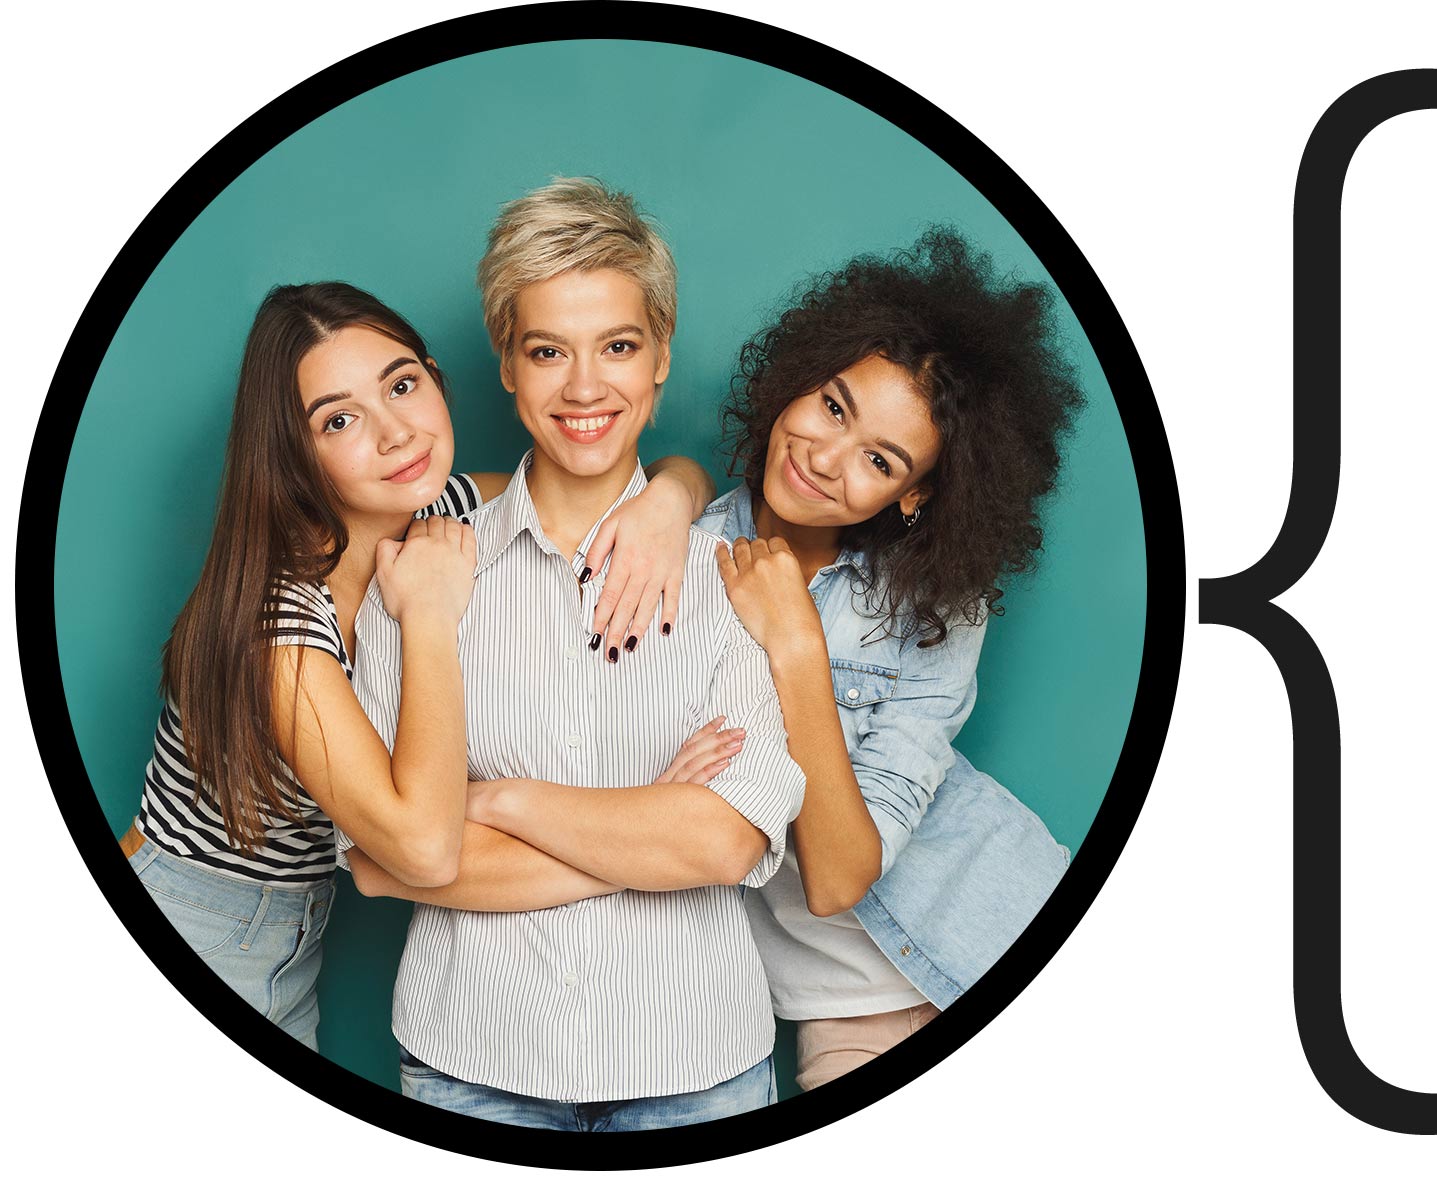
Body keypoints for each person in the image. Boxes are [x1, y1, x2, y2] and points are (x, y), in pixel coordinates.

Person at [121, 281, 712, 1049]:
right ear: (295, 452)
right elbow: (423, 850)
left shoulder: (439, 507)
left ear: (436, 378)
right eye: (339, 419)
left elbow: (609, 483)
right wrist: (659, 852)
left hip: (287, 932)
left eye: (402, 385)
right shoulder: (282, 623)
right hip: (191, 920)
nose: (396, 433)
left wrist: (670, 499)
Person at [341, 177, 805, 1130]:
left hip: (698, 1068)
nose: (585, 387)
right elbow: (383, 861)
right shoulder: (421, 576)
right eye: (548, 351)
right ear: (506, 365)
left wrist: (498, 805)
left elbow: (726, 840)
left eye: (618, 347)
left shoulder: (734, 579)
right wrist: (647, 831)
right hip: (471, 1061)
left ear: (661, 357)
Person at [698, 227, 1080, 1090]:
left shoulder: (939, 604)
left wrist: (794, 644)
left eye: (879, 459)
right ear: (798, 381)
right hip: (841, 1016)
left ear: (913, 494)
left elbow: (842, 865)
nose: (823, 459)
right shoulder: (672, 560)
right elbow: (825, 890)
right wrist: (673, 491)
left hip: (1006, 926)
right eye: (832, 407)